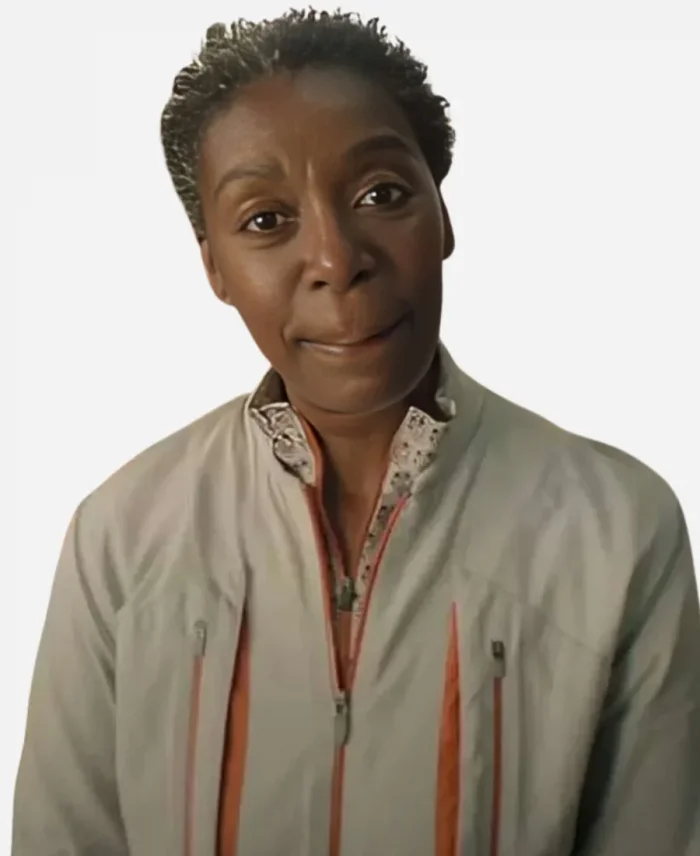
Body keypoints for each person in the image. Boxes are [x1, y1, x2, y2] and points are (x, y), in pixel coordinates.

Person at [12, 9, 700, 856]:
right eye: (266, 219)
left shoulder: (618, 531)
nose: (338, 261)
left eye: (382, 194)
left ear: (443, 215)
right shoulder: (121, 540)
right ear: (215, 267)